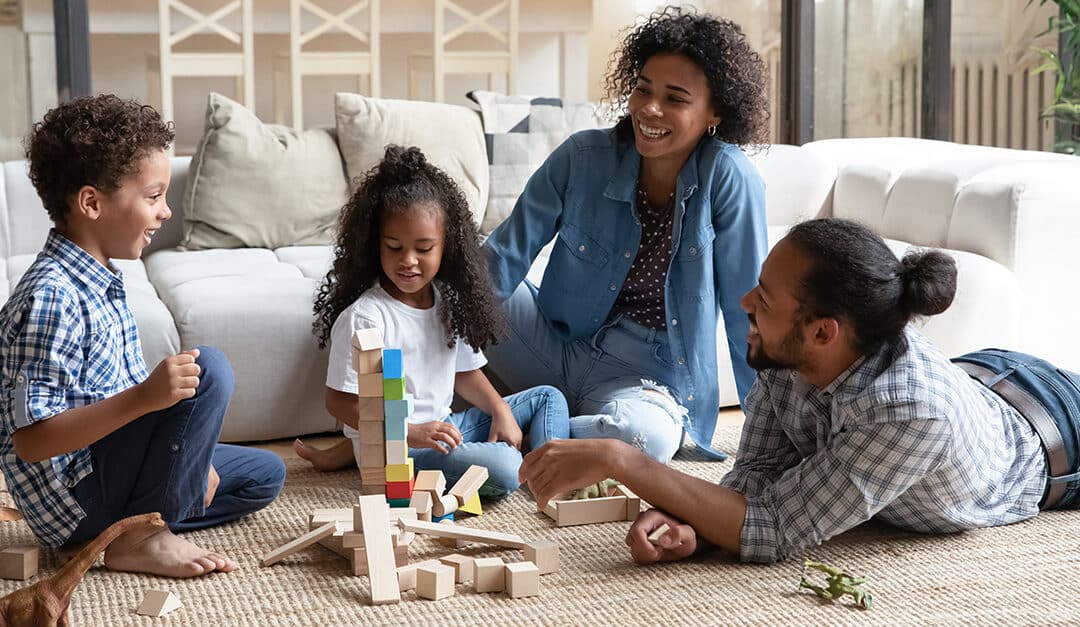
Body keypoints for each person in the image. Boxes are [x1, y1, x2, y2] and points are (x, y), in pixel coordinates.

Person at [519, 217, 1080, 564]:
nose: (745, 307)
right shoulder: (784, 354)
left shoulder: (911, 414)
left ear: (822, 331)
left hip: (1056, 427)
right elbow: (759, 477)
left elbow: (773, 529)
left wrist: (625, 461)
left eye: (763, 298)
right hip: (984, 374)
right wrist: (692, 523)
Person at [0, 94, 286, 578]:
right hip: (76, 493)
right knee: (209, 368)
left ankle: (116, 534)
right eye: (153, 197)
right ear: (91, 202)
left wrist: (190, 460)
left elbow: (143, 411)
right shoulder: (52, 295)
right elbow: (31, 442)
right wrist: (144, 398)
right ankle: (142, 536)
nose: (165, 212)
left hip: (107, 470)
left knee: (264, 476)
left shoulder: (102, 278)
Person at [482, 6, 770, 463]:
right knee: (461, 290)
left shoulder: (730, 179)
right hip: (554, 343)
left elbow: (749, 315)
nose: (650, 109)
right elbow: (498, 262)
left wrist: (768, 435)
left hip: (647, 380)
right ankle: (544, 424)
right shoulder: (581, 157)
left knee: (645, 440)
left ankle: (515, 422)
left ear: (715, 111)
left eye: (675, 98)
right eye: (643, 90)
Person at [294, 145, 570, 497]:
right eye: (394, 247)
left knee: (549, 398)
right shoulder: (366, 317)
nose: (408, 261)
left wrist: (500, 409)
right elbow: (340, 402)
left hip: (445, 428)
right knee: (503, 467)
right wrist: (410, 432)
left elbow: (464, 371)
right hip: (401, 449)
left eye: (423, 249)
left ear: (446, 247)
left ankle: (556, 469)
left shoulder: (446, 302)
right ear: (373, 245)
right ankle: (532, 467)